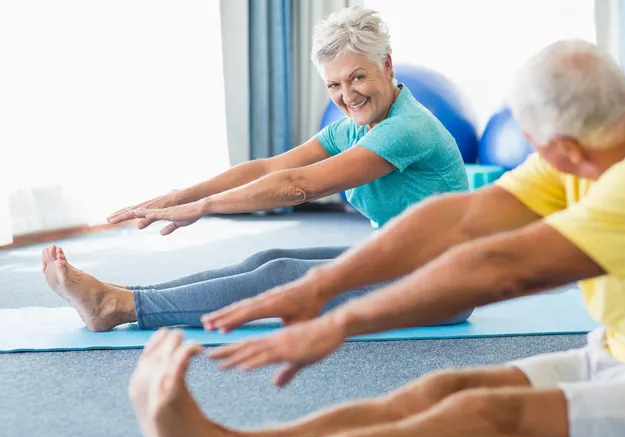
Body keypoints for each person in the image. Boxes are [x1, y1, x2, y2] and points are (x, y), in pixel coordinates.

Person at [129, 39, 625, 437]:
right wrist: (326, 286)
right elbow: (460, 218)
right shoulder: (598, 144)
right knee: (447, 385)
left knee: (481, 418)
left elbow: (501, 268)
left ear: (563, 145)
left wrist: (339, 321)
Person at [39, 6, 471, 332]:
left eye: (357, 77)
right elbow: (269, 166)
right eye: (334, 85)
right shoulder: (355, 129)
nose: (347, 95)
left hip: (440, 283)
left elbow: (298, 186)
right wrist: (179, 196)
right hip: (397, 259)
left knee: (281, 276)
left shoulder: (406, 129)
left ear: (387, 65)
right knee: (269, 258)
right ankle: (126, 298)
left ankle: (118, 308)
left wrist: (205, 207)